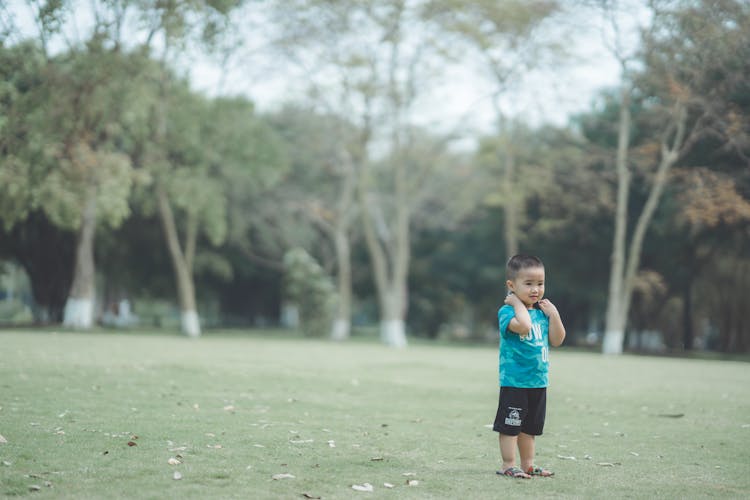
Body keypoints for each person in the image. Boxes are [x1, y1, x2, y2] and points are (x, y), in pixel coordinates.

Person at [493, 254, 566, 478]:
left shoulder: (542, 314)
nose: (536, 289)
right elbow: (523, 326)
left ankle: (528, 464)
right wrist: (515, 301)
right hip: (515, 381)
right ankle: (508, 464)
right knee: (511, 426)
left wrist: (554, 315)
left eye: (540, 283)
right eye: (529, 284)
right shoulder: (507, 311)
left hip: (538, 381)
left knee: (529, 428)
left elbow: (557, 339)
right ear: (511, 285)